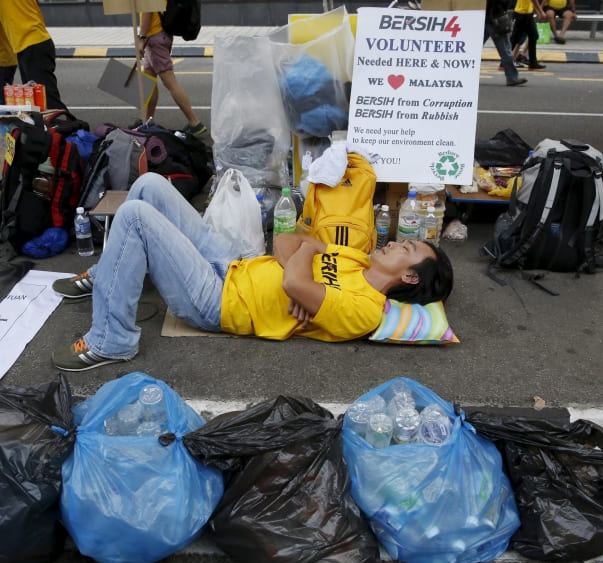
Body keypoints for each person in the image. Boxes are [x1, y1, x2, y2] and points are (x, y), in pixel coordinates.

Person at [49, 173, 454, 371]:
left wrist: (301, 273)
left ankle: (110, 341)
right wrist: (307, 252)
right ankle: (108, 276)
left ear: (411, 277)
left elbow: (295, 279)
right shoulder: (356, 259)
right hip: (233, 263)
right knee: (151, 184)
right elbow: (285, 240)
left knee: (136, 216)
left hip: (218, 301)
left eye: (409, 248)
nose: (399, 242)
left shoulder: (365, 308)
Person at [136, 11, 205, 136]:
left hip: (154, 36)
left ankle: (195, 123)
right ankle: (148, 121)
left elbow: (148, 10)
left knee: (170, 82)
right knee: (149, 80)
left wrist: (142, 37)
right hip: (161, 35)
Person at [0, 0, 67, 111]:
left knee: (49, 103)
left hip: (33, 44)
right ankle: (58, 125)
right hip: (30, 44)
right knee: (38, 102)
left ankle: (68, 126)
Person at [485, 0, 528, 87]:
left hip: (484, 17)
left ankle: (460, 75)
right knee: (505, 50)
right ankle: (512, 78)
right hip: (495, 19)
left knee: (471, 48)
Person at [510, 0, 547, 70]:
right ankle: (504, 62)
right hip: (521, 13)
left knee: (533, 36)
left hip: (527, 13)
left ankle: (533, 63)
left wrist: (538, 11)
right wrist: (541, 11)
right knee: (515, 39)